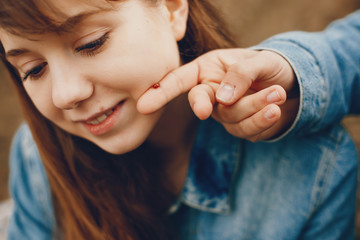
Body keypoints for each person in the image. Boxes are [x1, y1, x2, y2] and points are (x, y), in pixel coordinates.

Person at [0, 1, 357, 240]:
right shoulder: (36, 160)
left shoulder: (315, 166)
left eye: (91, 43)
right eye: (33, 70)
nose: (65, 94)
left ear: (172, 9)